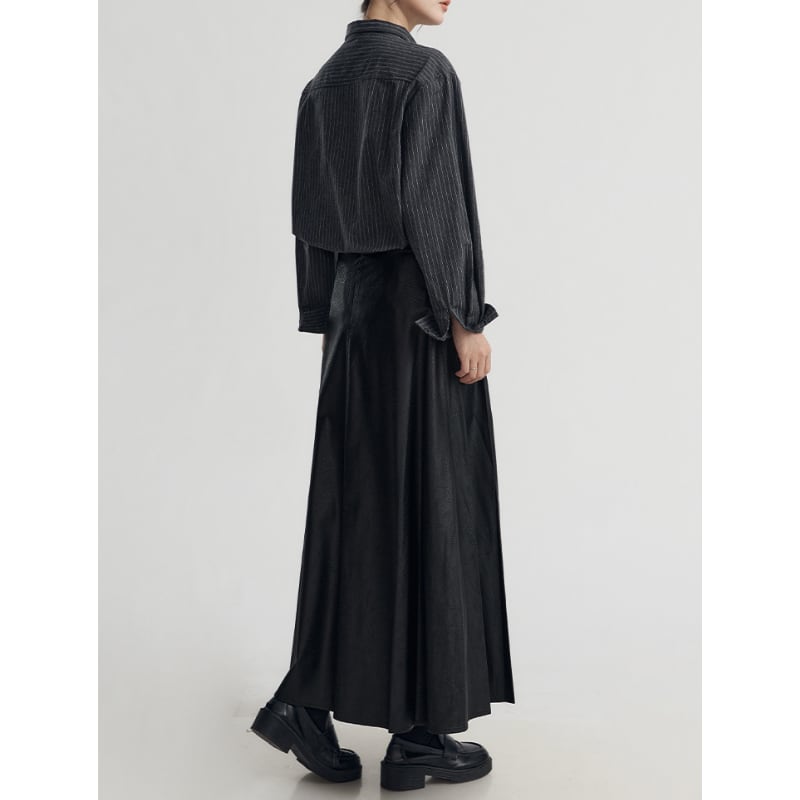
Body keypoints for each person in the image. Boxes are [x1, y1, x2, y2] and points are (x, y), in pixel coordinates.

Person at [249, 0, 515, 790]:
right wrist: (463, 318)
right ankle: (419, 734)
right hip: (417, 314)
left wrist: (323, 315)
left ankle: (308, 704)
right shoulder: (422, 72)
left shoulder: (322, 84)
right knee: (434, 502)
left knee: (355, 509)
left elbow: (307, 217)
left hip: (351, 318)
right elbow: (435, 208)